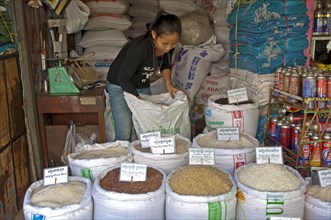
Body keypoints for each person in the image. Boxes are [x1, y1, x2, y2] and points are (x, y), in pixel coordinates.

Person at [107, 10, 182, 142]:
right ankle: (123, 159)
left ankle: (142, 160)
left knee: (145, 129)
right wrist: (137, 100)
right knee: (125, 132)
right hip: (120, 86)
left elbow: (165, 65)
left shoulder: (168, 46)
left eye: (173, 44)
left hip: (141, 85)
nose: (169, 48)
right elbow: (123, 78)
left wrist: (169, 84)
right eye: (165, 43)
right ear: (154, 34)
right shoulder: (140, 48)